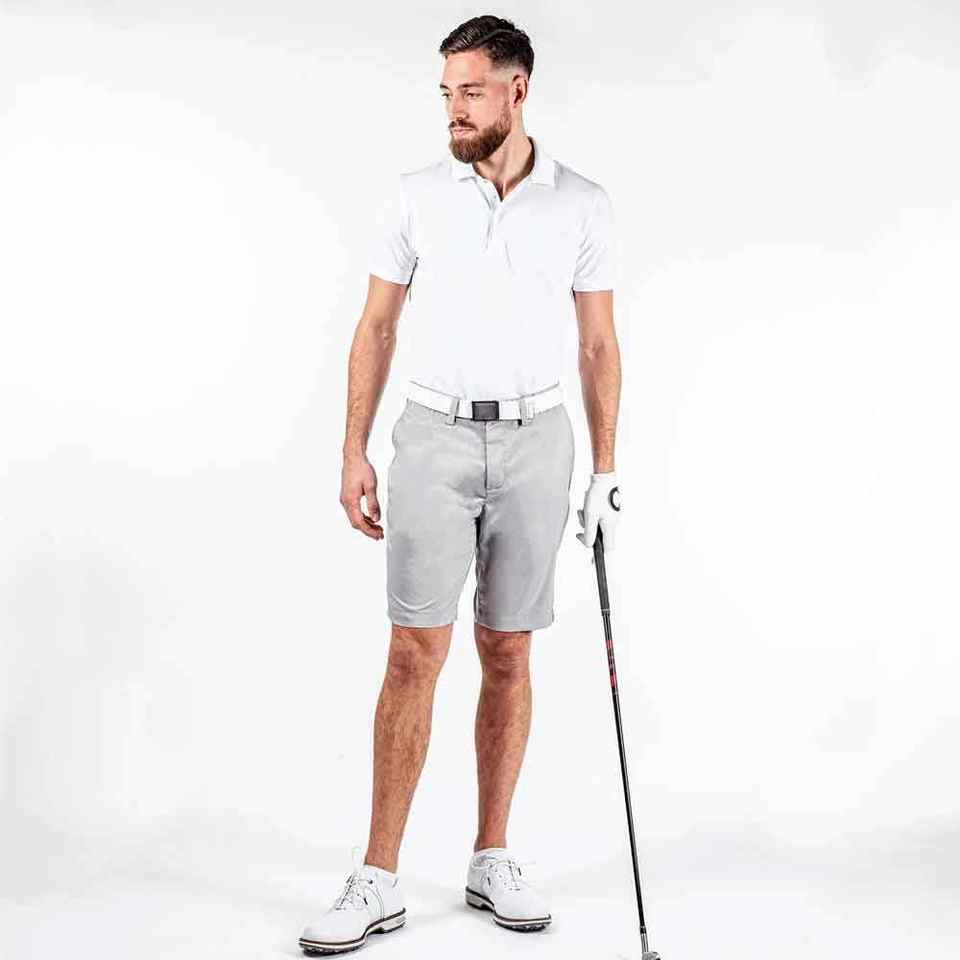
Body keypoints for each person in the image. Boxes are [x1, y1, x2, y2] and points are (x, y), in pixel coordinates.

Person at [299, 14, 622, 956]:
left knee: (510, 650)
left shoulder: (581, 203)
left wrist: (607, 471)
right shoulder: (414, 197)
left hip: (538, 440)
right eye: (447, 93)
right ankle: (377, 875)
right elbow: (375, 328)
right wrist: (354, 450)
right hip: (433, 437)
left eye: (471, 92)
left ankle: (492, 855)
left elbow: (598, 343)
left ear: (519, 90)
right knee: (414, 651)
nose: (455, 110)